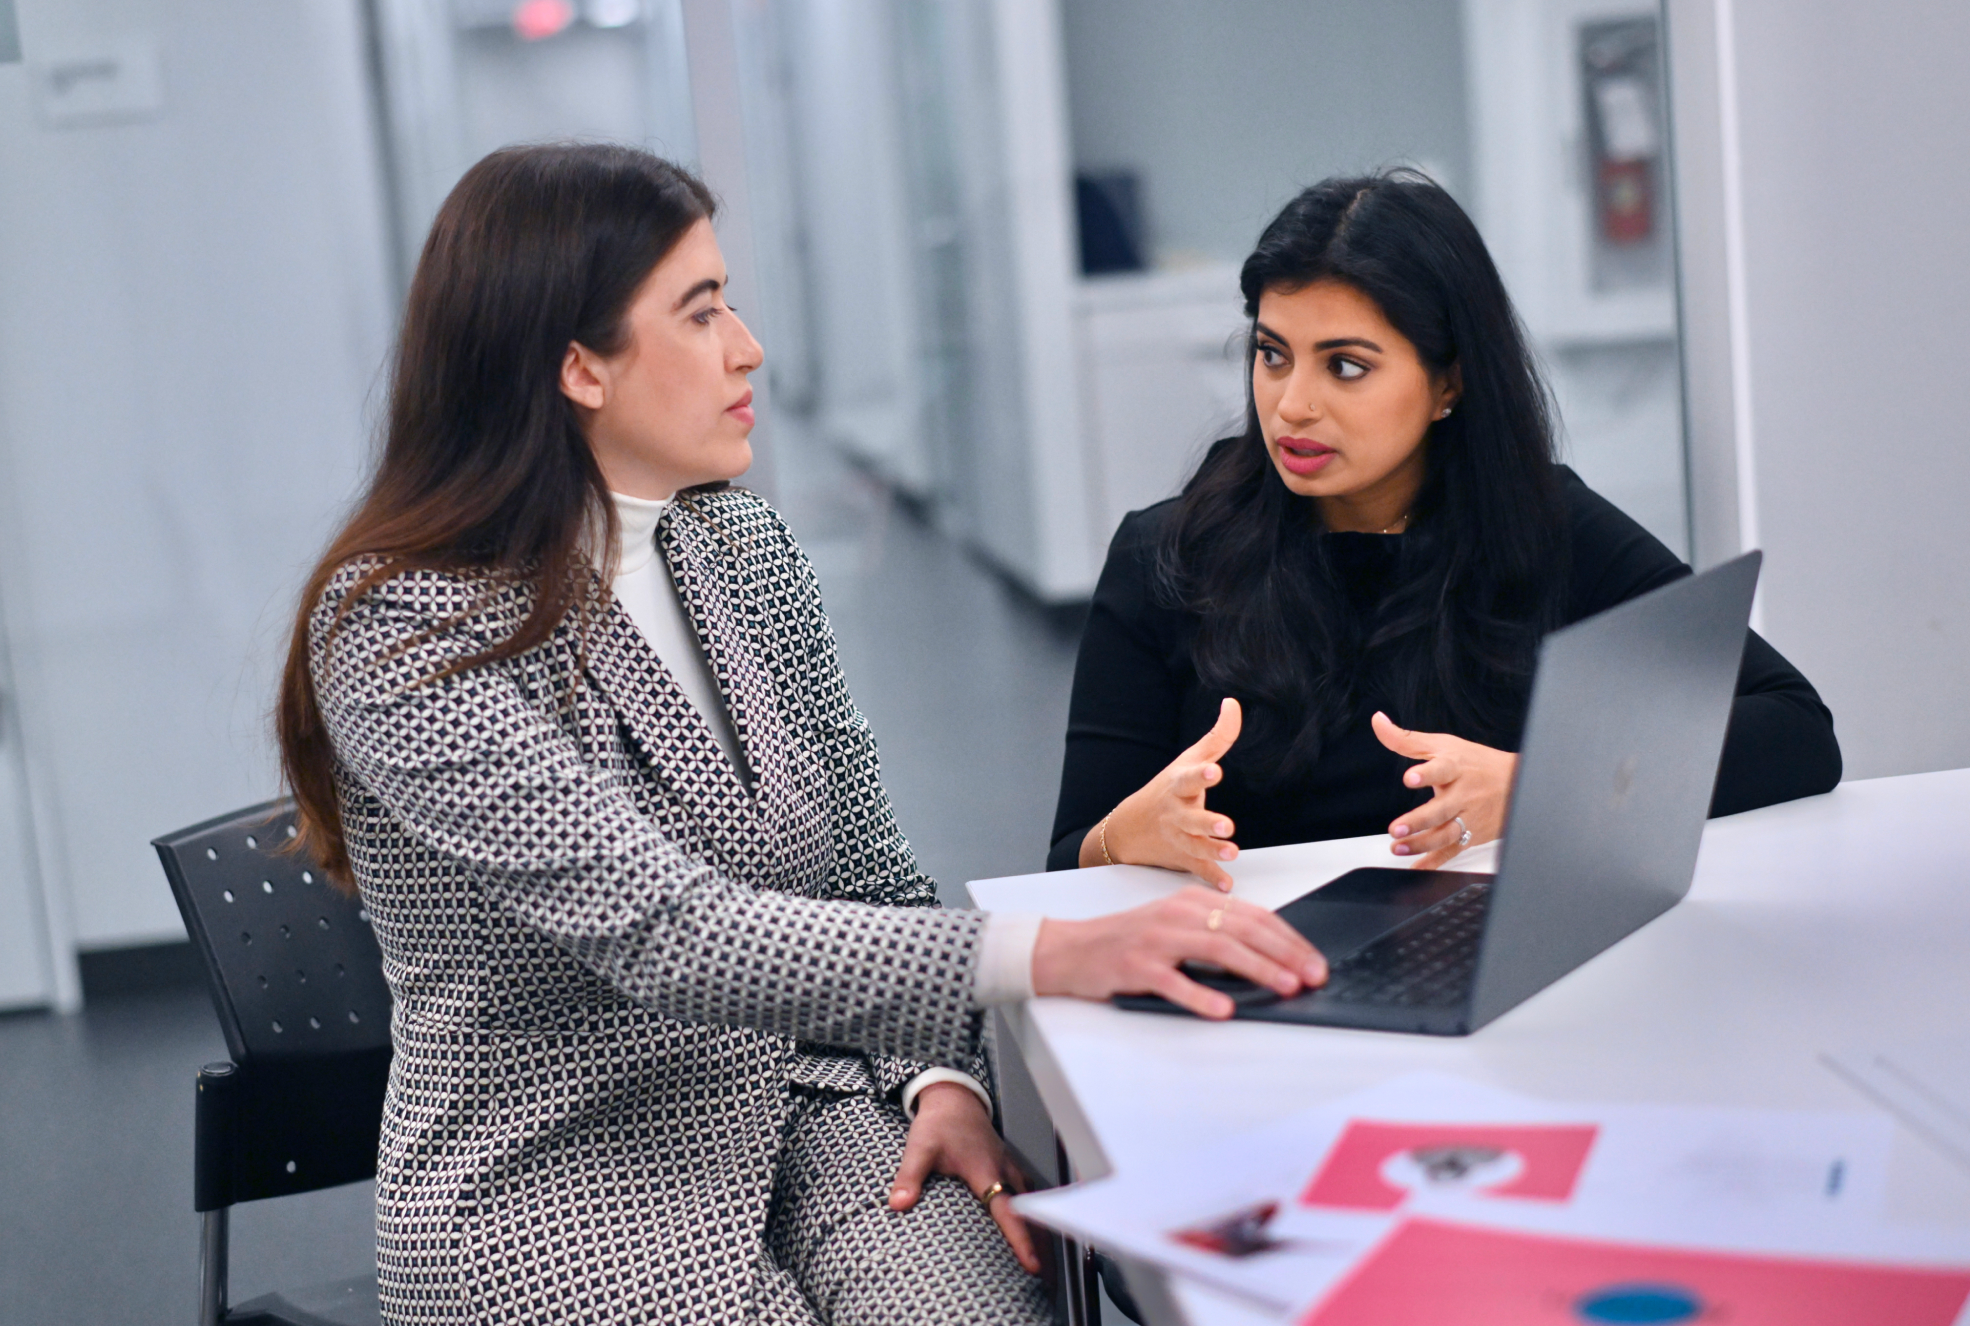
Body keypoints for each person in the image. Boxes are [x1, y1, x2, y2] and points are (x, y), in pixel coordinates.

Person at [274, 143, 1323, 1326]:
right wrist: (1049, 953)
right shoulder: (404, 627)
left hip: (811, 1103)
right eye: (702, 311)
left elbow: (866, 866)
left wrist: (937, 1074)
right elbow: (662, 928)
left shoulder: (738, 549)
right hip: (560, 1179)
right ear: (578, 366)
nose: (748, 347)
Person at [1048, 171, 1840, 886]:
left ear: (1448, 383)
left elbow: (1796, 728)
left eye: (1346, 366)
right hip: (1242, 982)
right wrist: (1127, 834)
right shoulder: (1165, 558)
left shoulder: (1543, 528)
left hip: (1486, 975)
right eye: (1272, 354)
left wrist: (1538, 785)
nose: (1292, 404)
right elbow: (1065, 859)